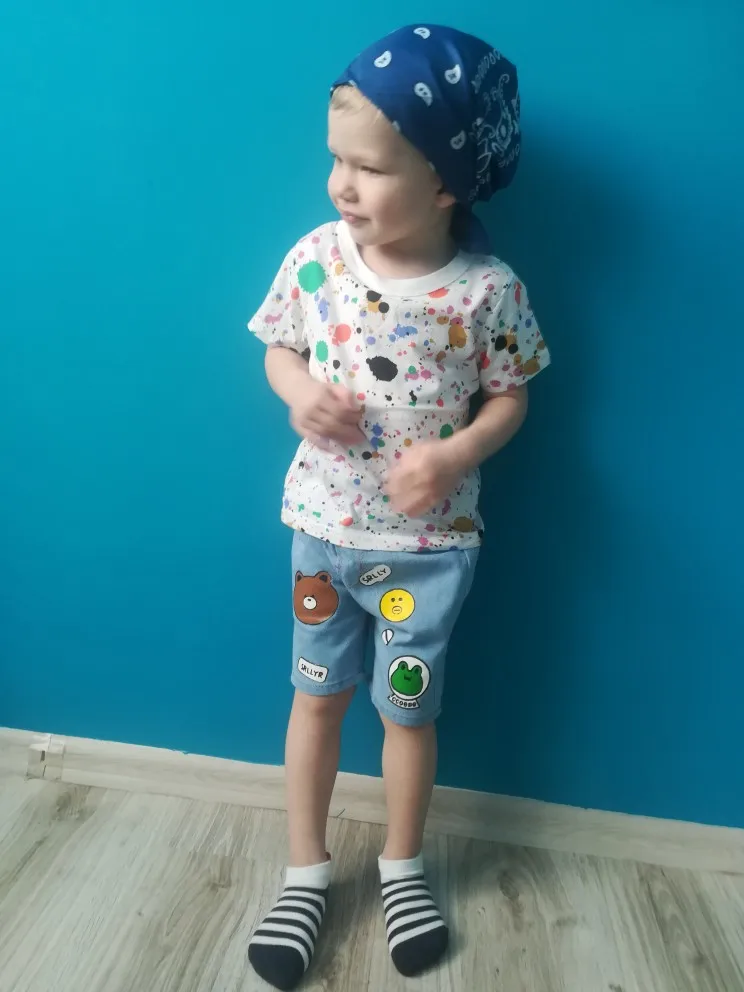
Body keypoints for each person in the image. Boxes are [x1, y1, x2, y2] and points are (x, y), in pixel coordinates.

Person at [246, 23, 550, 990]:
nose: (341, 185)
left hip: (428, 550)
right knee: (315, 697)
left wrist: (455, 452)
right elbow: (279, 346)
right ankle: (304, 873)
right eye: (337, 160)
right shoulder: (317, 258)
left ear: (446, 183)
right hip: (322, 536)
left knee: (408, 713)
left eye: (370, 168)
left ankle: (403, 867)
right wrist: (298, 392)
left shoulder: (488, 292)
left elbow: (511, 398)